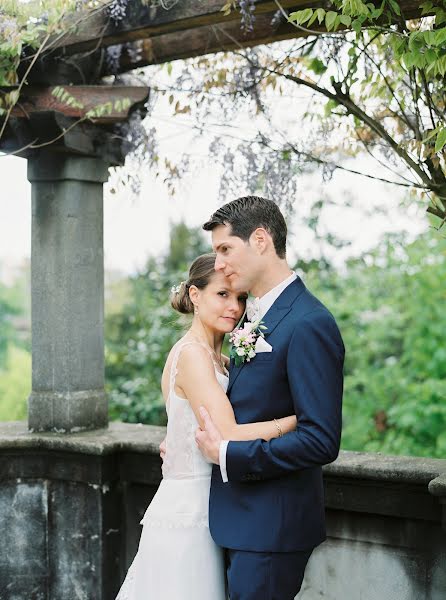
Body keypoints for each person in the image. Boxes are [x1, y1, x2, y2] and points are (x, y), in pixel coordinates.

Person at [115, 253, 297, 600]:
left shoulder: (222, 360)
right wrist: (295, 422)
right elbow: (227, 433)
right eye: (222, 295)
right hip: (189, 511)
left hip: (213, 505)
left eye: (240, 297)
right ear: (195, 296)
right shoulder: (192, 356)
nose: (234, 306)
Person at [195, 196, 345, 600]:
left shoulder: (310, 322)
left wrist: (229, 454)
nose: (220, 264)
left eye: (225, 249)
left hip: (271, 531)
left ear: (260, 239)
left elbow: (320, 440)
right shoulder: (249, 316)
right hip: (236, 523)